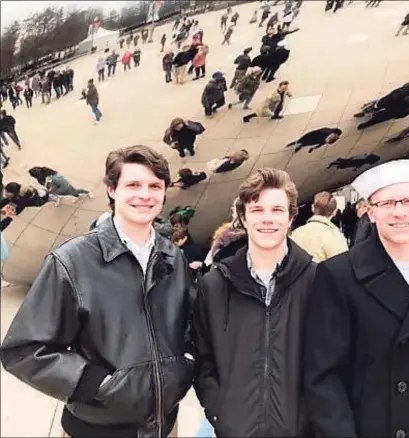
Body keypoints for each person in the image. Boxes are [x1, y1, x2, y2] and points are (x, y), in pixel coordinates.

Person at [0, 145, 196, 437]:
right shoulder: (71, 262)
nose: (145, 195)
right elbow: (24, 349)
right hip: (96, 429)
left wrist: (185, 364)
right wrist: (94, 384)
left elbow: (187, 326)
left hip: (164, 425)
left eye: (155, 186)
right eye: (133, 184)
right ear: (112, 190)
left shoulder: (172, 257)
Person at [304, 159, 409, 438]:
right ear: (370, 213)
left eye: (408, 201)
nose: (400, 212)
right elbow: (324, 379)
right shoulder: (338, 276)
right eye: (387, 204)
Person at [192, 168, 317, 437]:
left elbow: (329, 362)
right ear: (244, 218)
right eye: (258, 210)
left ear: (291, 217)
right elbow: (204, 361)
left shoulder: (317, 281)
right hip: (235, 429)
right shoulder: (214, 285)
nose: (267, 219)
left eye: (277, 210)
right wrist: (220, 413)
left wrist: (308, 418)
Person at [291, 191, 349, 262]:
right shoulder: (336, 236)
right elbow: (342, 265)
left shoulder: (296, 233)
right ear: (335, 212)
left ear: (312, 208)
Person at [28, 166, 93, 205]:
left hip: (62, 187)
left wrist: (54, 191)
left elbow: (64, 184)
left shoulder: (52, 177)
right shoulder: (42, 177)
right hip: (58, 188)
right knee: (71, 193)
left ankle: (88, 192)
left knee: (75, 191)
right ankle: (77, 196)